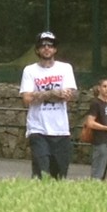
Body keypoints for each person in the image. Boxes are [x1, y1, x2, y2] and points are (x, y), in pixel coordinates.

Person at [19, 31, 77, 179]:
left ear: (55, 49)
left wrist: (40, 95)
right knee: (41, 173)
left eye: (50, 45)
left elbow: (68, 95)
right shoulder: (30, 70)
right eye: (43, 45)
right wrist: (53, 93)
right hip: (38, 129)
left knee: (59, 174)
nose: (46, 48)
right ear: (37, 49)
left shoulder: (65, 68)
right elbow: (26, 98)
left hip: (60, 130)